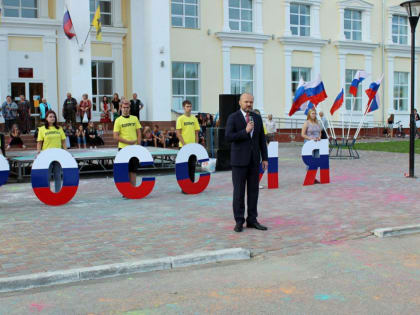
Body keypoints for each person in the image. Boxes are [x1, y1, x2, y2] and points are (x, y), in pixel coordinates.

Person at [226, 93, 268, 233]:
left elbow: (262, 138)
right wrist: (245, 131)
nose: (249, 104)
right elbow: (228, 137)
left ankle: (252, 220)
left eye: (251, 102)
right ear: (240, 102)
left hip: (254, 161)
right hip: (239, 161)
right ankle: (239, 221)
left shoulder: (257, 117)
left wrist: (265, 158)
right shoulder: (233, 117)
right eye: (246, 102)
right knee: (238, 193)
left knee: (253, 192)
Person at [113, 99, 142, 188]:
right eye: (124, 107)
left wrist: (138, 145)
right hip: (123, 149)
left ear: (129, 108)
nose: (125, 109)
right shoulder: (118, 120)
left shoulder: (135, 118)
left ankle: (133, 189)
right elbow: (115, 136)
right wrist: (128, 142)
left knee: (133, 170)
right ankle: (126, 190)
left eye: (127, 107)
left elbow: (139, 132)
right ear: (121, 108)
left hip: (134, 149)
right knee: (124, 170)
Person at [36, 110, 66, 193]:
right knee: (47, 176)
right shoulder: (42, 129)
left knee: (58, 175)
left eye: (54, 117)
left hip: (58, 155)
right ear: (46, 118)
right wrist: (38, 152)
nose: (52, 118)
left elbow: (63, 141)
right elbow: (39, 142)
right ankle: (47, 194)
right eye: (50, 117)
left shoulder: (59, 128)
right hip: (46, 155)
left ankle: (58, 193)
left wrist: (66, 152)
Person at [176, 100, 200, 185]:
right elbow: (178, 134)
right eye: (187, 106)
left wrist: (196, 145)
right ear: (184, 107)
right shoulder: (180, 119)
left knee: (192, 167)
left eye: (190, 106)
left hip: (192, 147)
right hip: (183, 147)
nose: (189, 108)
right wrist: (184, 145)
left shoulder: (194, 119)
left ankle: (192, 185)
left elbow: (196, 133)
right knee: (184, 167)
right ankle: (185, 186)